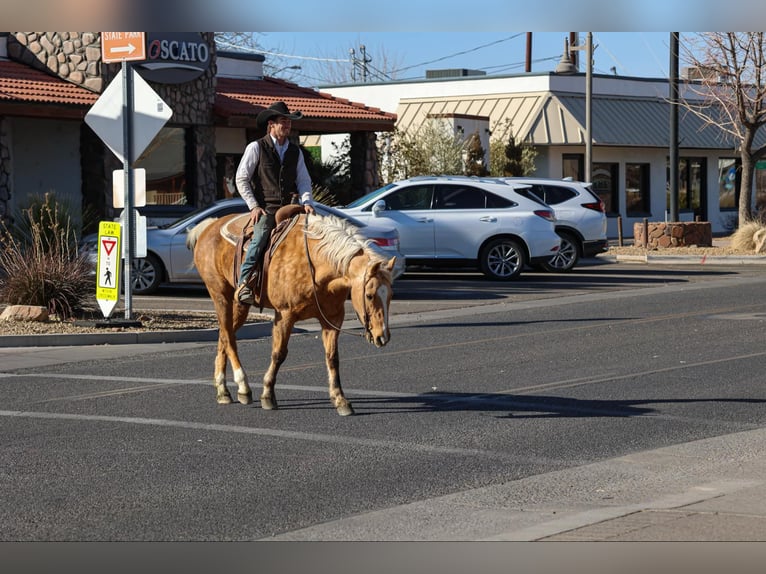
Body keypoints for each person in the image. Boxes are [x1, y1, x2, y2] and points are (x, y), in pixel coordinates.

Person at [234, 101, 315, 305]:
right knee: (260, 238)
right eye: (283, 122)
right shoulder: (256, 147)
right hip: (266, 209)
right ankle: (244, 283)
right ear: (271, 124)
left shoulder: (295, 152)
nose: (287, 126)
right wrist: (253, 206)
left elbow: (304, 180)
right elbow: (241, 178)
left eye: (288, 122)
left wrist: (306, 202)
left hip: (290, 207)